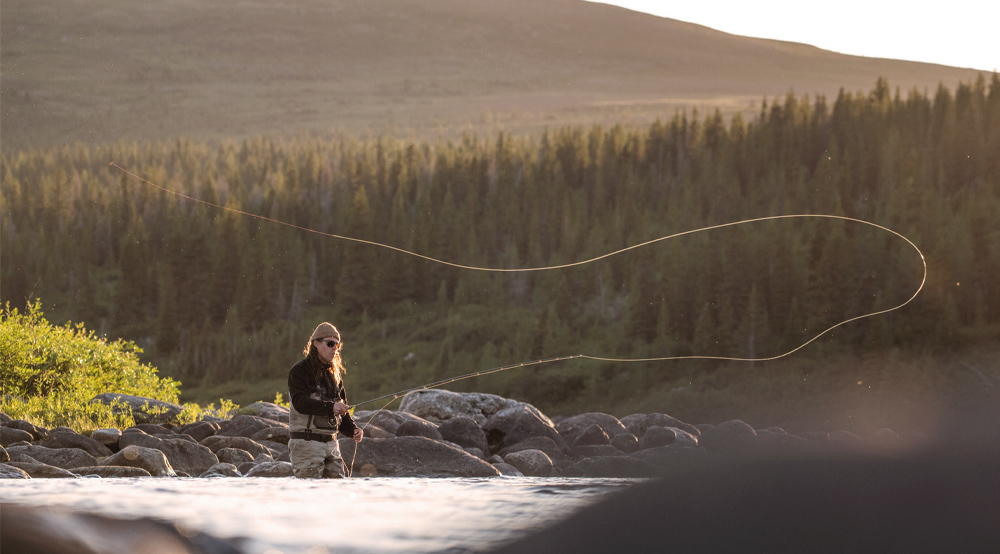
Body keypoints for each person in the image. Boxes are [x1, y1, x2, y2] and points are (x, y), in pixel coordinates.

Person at [287, 322, 363, 478]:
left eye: (337, 344)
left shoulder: (335, 375)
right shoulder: (300, 370)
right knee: (309, 495)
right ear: (315, 343)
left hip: (331, 445)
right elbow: (300, 402)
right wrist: (331, 407)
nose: (334, 348)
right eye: (330, 343)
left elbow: (343, 413)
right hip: (306, 444)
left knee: (337, 494)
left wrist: (353, 429)